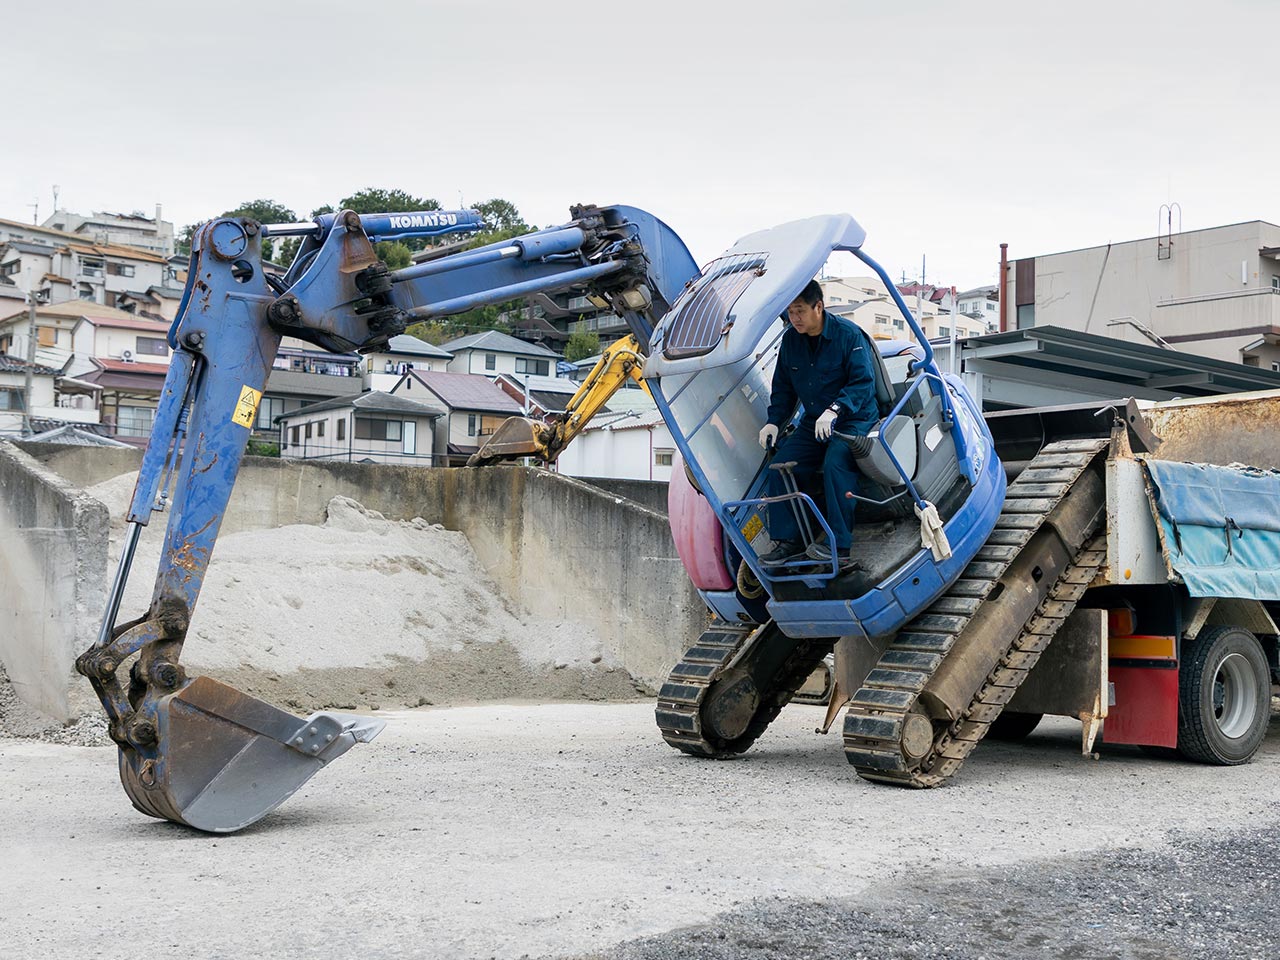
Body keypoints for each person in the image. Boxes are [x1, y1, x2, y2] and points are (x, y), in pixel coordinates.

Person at [757, 279, 879, 567]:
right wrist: (774, 422)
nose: (794, 318)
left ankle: (840, 546)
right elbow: (784, 389)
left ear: (818, 307)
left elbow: (863, 384)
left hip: (855, 418)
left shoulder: (848, 335)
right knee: (780, 466)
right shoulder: (790, 341)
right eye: (790, 312)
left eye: (799, 311)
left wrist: (836, 409)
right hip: (814, 422)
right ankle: (791, 541)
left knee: (837, 460)